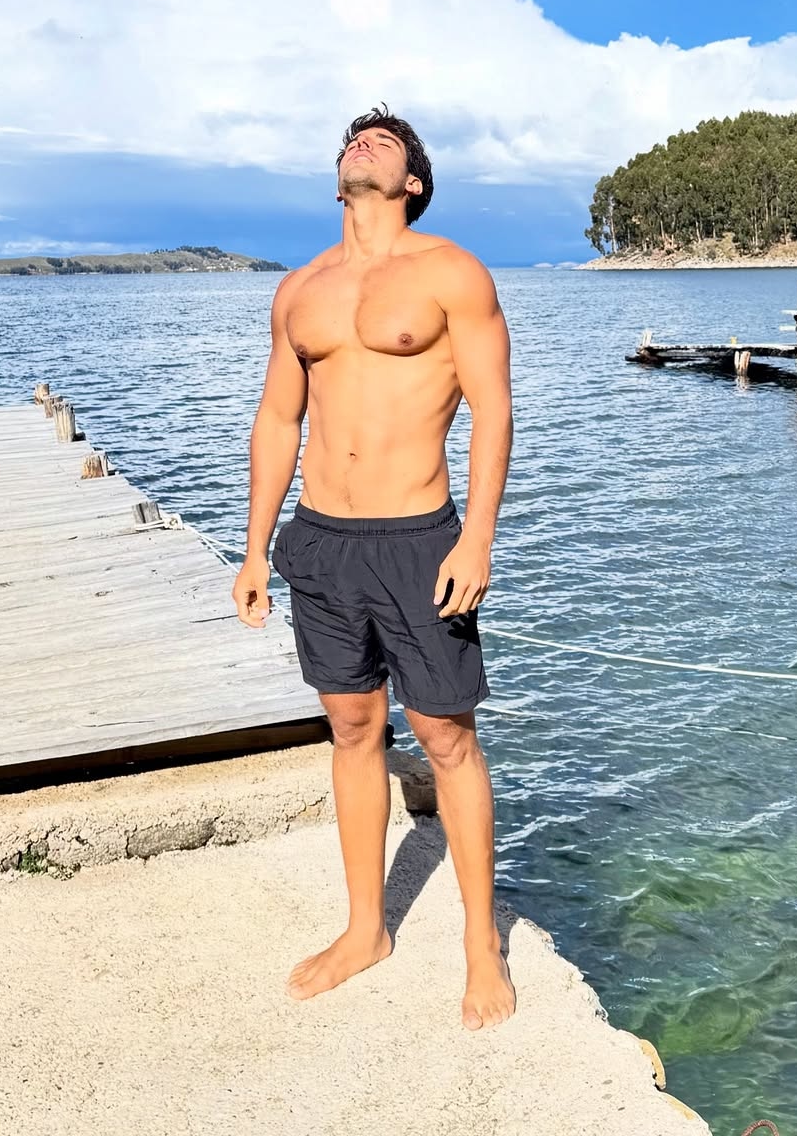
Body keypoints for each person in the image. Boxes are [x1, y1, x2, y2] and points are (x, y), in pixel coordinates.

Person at [232, 104, 516, 1031]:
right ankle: (366, 929)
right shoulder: (300, 290)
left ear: (413, 183)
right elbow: (279, 419)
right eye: (355, 140)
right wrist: (254, 547)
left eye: (385, 143)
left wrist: (477, 538)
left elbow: (492, 408)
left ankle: (480, 944)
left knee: (445, 738)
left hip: (419, 539)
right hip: (322, 540)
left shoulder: (451, 273)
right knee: (353, 728)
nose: (364, 146)